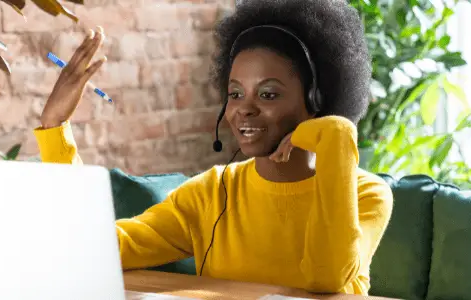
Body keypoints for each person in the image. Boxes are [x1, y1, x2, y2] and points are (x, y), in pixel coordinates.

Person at [34, 0, 393, 295]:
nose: (244, 108)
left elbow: (325, 278)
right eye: (235, 93)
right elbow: (95, 246)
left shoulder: (366, 195)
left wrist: (337, 134)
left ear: (317, 100)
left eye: (268, 94)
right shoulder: (212, 194)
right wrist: (54, 129)